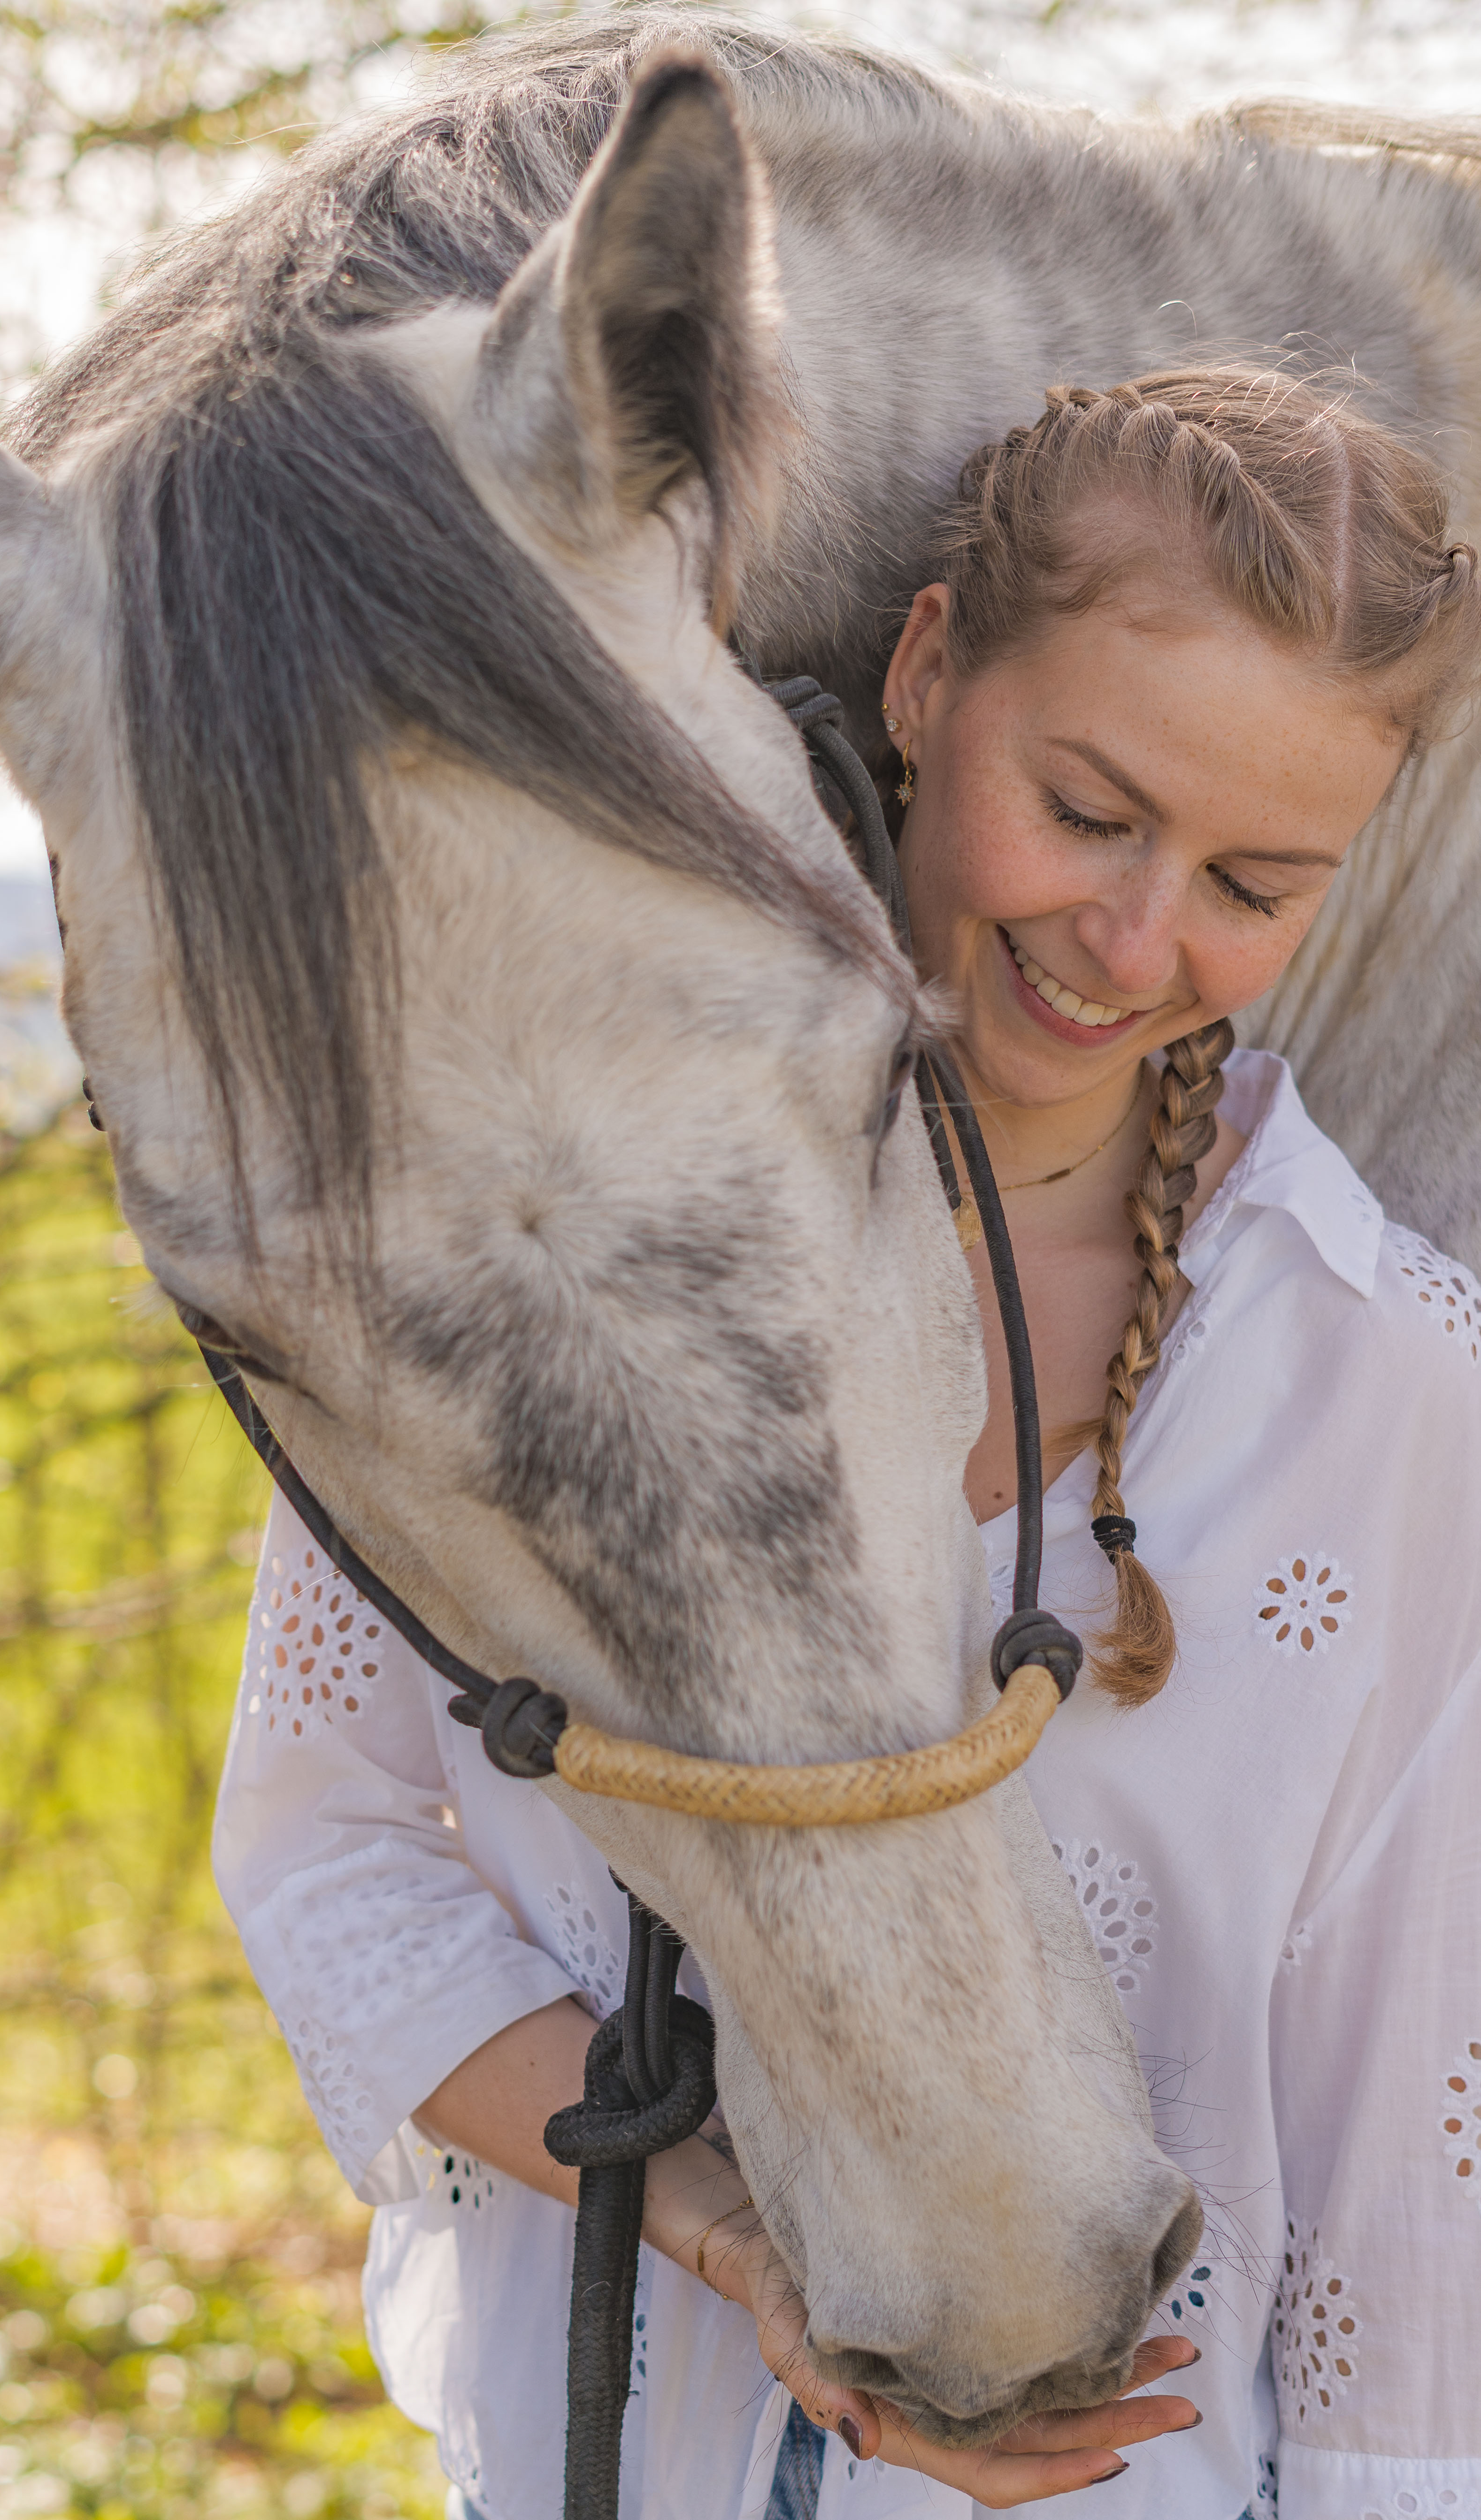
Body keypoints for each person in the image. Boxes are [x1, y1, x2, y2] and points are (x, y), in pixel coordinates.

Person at [212, 372, 1481, 2519]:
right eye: (1087, 808)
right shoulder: (532, 1241)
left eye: (1253, 879)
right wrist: (719, 2220)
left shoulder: (1395, 1389)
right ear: (922, 674)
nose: (1135, 935)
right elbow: (330, 1848)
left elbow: (1406, 2160)